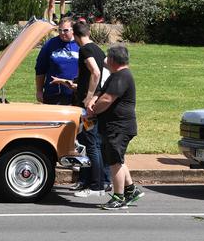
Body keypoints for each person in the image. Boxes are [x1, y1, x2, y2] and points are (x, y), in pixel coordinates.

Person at [87, 44, 144, 210]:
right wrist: (92, 100)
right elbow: (101, 93)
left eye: (107, 57)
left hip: (119, 126)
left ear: (112, 59)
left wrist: (93, 111)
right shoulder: (116, 75)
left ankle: (118, 198)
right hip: (115, 126)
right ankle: (131, 190)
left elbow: (107, 99)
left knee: (115, 162)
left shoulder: (122, 76)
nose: (105, 60)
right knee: (117, 160)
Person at [61, 20, 111, 197]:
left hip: (87, 106)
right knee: (89, 143)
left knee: (91, 145)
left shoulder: (85, 50)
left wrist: (89, 96)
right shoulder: (97, 48)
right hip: (92, 103)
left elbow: (96, 72)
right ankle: (93, 182)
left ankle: (96, 186)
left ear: (75, 35)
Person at [35, 17, 79, 105]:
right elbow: (40, 69)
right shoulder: (50, 44)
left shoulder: (79, 45)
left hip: (75, 93)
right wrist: (39, 91)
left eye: (66, 30)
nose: (62, 33)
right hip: (54, 94)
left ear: (73, 30)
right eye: (60, 30)